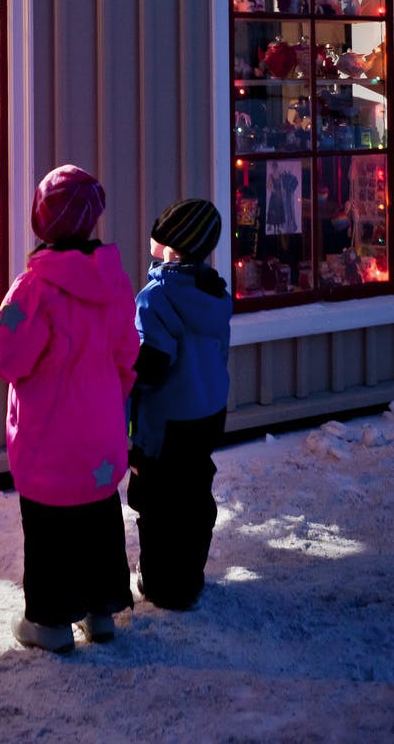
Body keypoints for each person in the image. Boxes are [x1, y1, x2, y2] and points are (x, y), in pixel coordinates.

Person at [0, 164, 140, 653]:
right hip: (100, 436)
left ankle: (48, 621)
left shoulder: (33, 289)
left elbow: (9, 357)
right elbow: (128, 354)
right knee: (99, 519)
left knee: (50, 530)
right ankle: (101, 611)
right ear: (93, 220)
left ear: (40, 221)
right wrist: (108, 399)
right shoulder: (115, 282)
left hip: (48, 441)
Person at [128, 199, 232, 611]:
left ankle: (161, 582)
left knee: (156, 500)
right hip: (208, 411)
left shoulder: (157, 297)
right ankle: (190, 575)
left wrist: (125, 374)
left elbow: (152, 364)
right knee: (193, 493)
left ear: (170, 247)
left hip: (166, 418)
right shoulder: (215, 294)